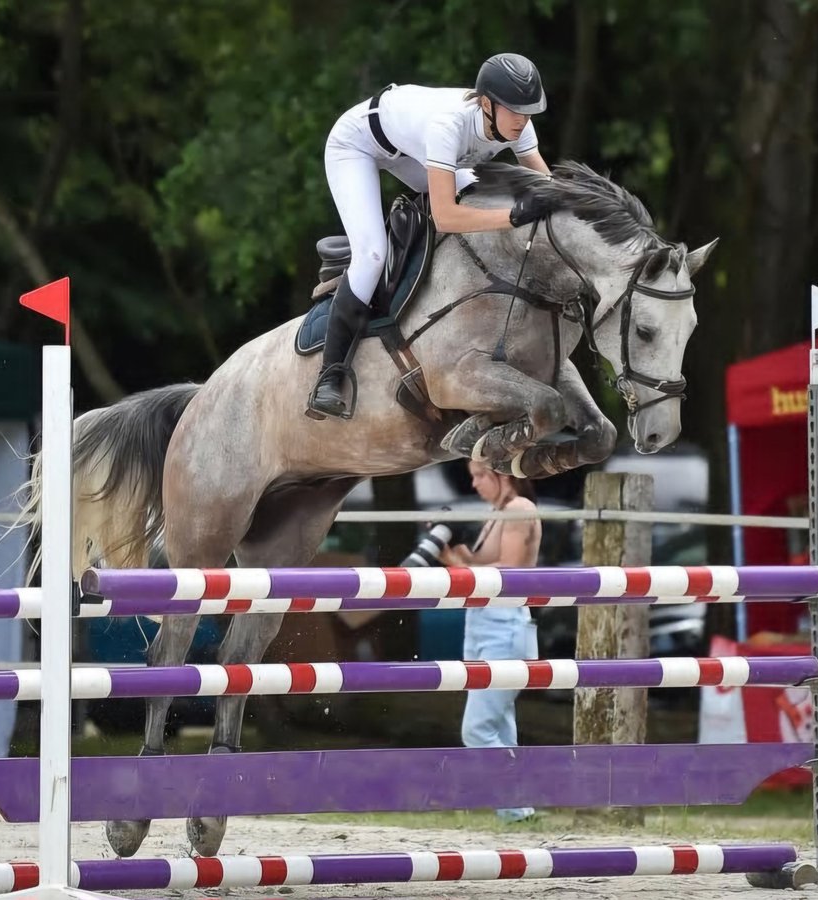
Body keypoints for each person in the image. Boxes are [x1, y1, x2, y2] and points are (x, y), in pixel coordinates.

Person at [307, 53, 558, 419]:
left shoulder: (519, 124)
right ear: (487, 104)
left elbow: (547, 186)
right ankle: (329, 377)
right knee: (373, 254)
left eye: (529, 111)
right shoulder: (449, 125)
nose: (522, 119)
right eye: (515, 110)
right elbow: (446, 216)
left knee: (479, 196)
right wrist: (513, 216)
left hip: (410, 147)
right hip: (357, 144)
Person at [439, 460, 541, 823]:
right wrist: (452, 551)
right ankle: (515, 813)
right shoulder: (498, 512)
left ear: (505, 474)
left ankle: (518, 806)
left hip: (504, 623)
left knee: (478, 729)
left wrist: (463, 568)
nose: (475, 483)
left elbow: (509, 569)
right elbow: (481, 563)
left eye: (481, 474)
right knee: (499, 724)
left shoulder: (519, 509)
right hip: (483, 623)